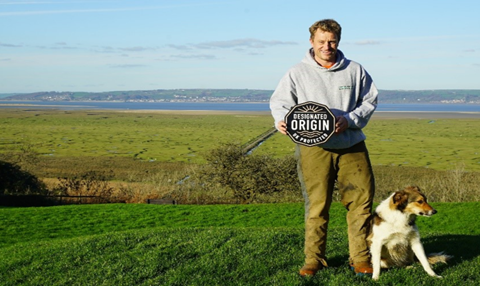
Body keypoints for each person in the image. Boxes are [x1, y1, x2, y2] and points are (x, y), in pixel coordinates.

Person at [269, 19, 378, 277]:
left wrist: (349, 120)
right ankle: (314, 260)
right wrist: (282, 121)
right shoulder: (297, 72)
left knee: (361, 202)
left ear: (338, 41)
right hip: (313, 148)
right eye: (321, 42)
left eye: (331, 41)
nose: (326, 46)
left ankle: (360, 258)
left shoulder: (355, 70)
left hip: (351, 143)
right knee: (317, 205)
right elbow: (281, 102)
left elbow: (370, 100)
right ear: (311, 42)